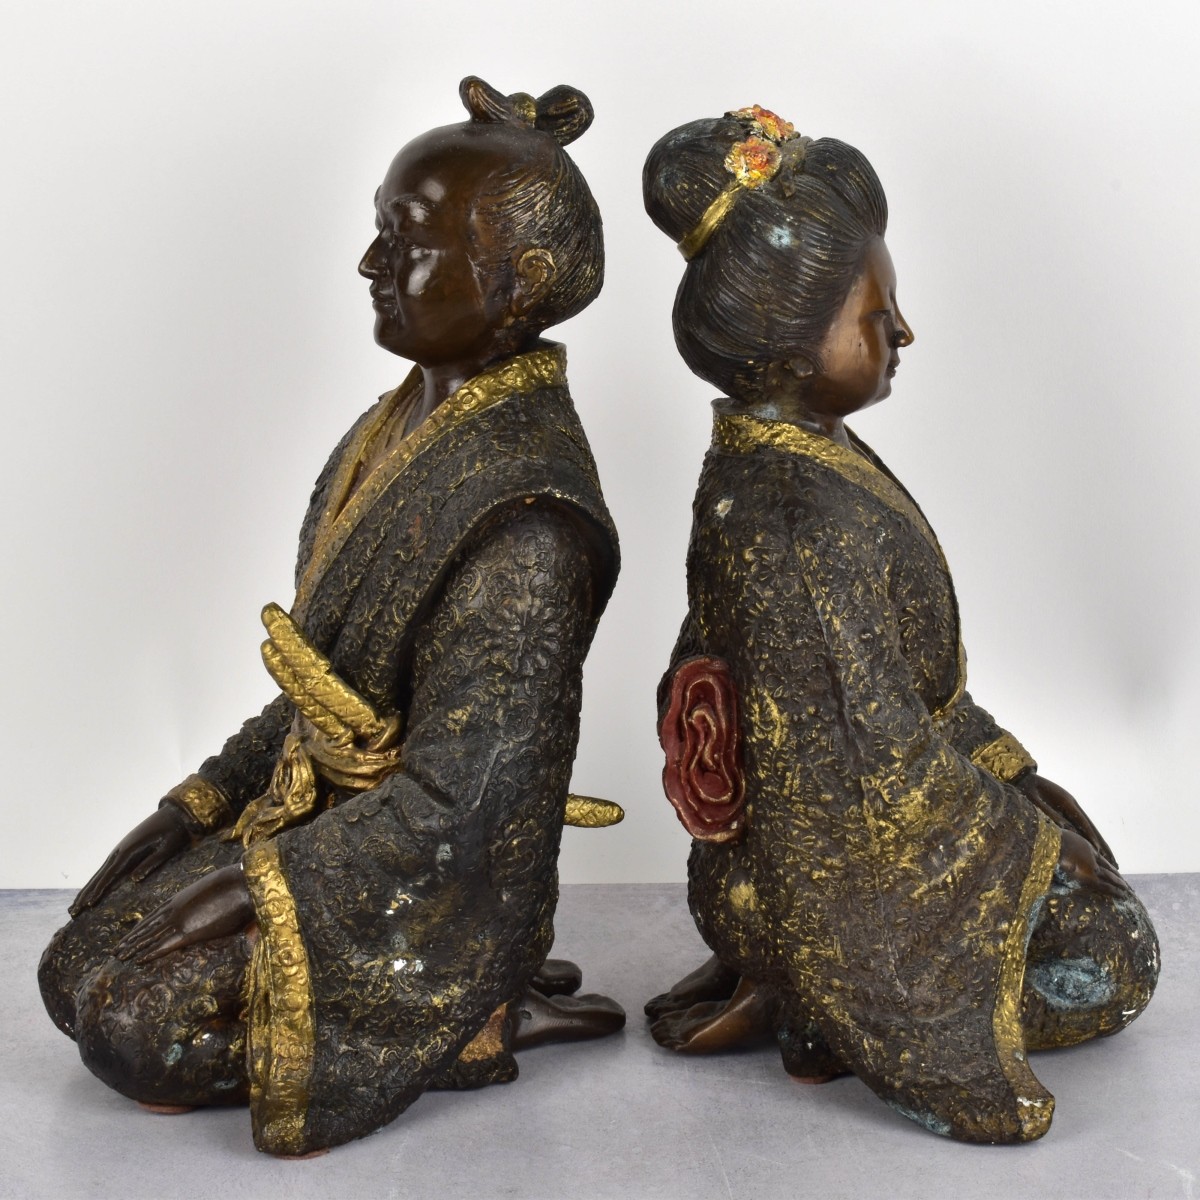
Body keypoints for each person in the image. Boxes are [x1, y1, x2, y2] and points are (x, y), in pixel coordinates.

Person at [39, 76, 624, 1157]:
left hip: (429, 885)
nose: (369, 264)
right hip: (321, 827)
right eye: (378, 232)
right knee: (73, 963)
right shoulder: (384, 434)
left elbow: (462, 804)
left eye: (407, 241)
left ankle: (482, 1010)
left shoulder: (529, 520)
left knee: (134, 1026)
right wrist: (199, 804)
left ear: (524, 280)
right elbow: (319, 685)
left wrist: (254, 881)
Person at [641, 105, 1158, 1143]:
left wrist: (1016, 780)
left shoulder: (804, 461)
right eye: (877, 314)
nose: (903, 333)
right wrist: (1031, 843)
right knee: (1119, 954)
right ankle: (817, 991)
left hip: (798, 850)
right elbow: (866, 762)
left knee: (1085, 866)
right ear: (795, 348)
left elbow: (906, 705)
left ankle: (795, 980)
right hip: (805, 870)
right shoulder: (792, 515)